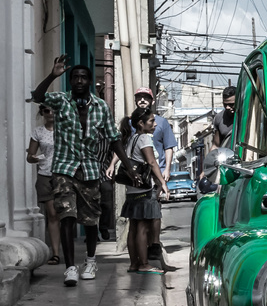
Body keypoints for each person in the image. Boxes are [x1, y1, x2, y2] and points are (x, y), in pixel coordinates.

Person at [30, 55, 121, 286]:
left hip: (90, 170)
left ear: (90, 81)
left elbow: (114, 139)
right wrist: (53, 74)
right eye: (75, 77)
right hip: (63, 169)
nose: (79, 80)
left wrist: (128, 166)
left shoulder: (101, 107)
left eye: (83, 77)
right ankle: (70, 267)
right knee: (67, 216)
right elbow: (37, 97)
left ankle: (90, 261)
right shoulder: (61, 101)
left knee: (90, 221)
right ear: (70, 81)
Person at [119, 88, 174, 265]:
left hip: (132, 189)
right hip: (144, 189)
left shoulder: (131, 138)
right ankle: (143, 264)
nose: (155, 124)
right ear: (141, 124)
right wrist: (163, 183)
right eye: (151, 121)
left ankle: (134, 264)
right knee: (142, 227)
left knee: (134, 227)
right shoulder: (144, 139)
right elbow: (152, 162)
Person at [25, 104, 62, 265]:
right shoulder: (38, 132)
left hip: (63, 174)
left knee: (67, 214)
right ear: (42, 113)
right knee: (52, 213)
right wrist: (35, 158)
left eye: (53, 109)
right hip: (45, 175)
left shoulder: (65, 130)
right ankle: (55, 252)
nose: (50, 113)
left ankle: (66, 250)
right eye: (47, 110)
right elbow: (30, 156)